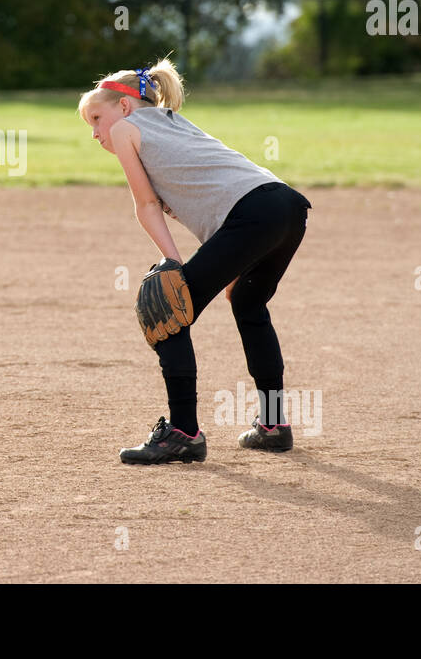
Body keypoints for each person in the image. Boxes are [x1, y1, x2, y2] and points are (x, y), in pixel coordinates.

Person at [78, 59, 312, 464]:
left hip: (253, 214)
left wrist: (172, 263)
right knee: (247, 301)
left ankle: (184, 432)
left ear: (125, 108)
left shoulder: (125, 130)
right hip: (286, 205)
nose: (97, 132)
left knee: (167, 309)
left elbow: (146, 205)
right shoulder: (171, 122)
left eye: (97, 117)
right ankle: (273, 425)